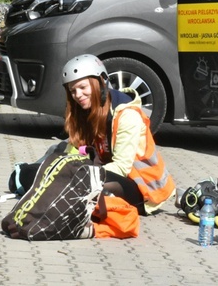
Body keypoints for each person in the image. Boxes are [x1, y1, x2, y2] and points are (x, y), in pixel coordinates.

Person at [62, 54, 176, 215]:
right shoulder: (88, 111)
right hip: (109, 175)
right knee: (55, 160)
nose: (77, 95)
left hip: (142, 189)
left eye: (82, 87)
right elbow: (72, 152)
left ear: (100, 83)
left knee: (77, 180)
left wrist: (76, 176)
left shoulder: (127, 115)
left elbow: (121, 167)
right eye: (73, 91)